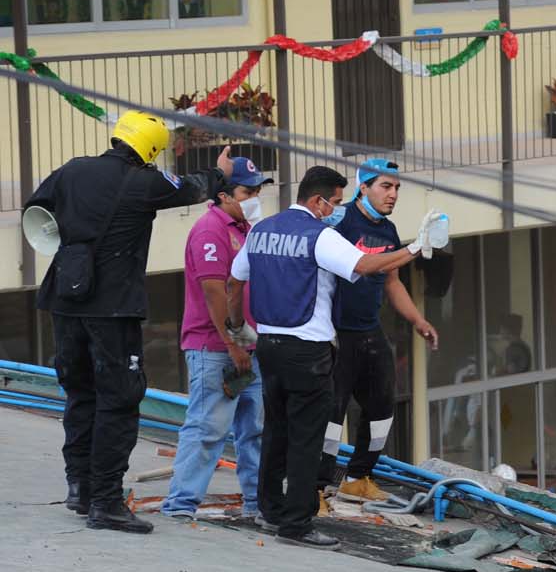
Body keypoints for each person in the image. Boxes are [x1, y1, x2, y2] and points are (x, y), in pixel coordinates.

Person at [27, 113, 234, 533]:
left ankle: (80, 489)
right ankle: (106, 502)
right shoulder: (144, 182)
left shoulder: (72, 169)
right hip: (112, 308)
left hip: (66, 300)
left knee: (80, 394)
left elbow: (39, 210)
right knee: (119, 399)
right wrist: (220, 172)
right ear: (150, 150)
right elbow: (193, 188)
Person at [227, 166, 445, 549]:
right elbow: (364, 265)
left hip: (268, 345)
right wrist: (414, 248)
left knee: (276, 432)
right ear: (317, 200)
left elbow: (235, 280)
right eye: (335, 203)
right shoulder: (319, 235)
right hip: (307, 349)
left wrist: (236, 327)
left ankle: (269, 510)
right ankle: (297, 524)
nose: (335, 211)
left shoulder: (261, 231)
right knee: (307, 438)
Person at [315, 159, 439, 506]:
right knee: (331, 415)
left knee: (383, 405)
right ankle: (316, 489)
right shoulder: (339, 221)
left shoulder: (387, 230)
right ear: (364, 187)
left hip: (369, 329)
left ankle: (357, 478)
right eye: (386, 186)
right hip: (336, 332)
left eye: (397, 187)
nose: (393, 194)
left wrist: (418, 320)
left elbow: (392, 281)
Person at [161, 158, 271, 522]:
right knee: (208, 429)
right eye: (247, 192)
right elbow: (214, 291)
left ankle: (259, 505)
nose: (255, 198)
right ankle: (180, 507)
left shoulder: (244, 227)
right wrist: (233, 344)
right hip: (216, 347)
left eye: (257, 191)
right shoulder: (211, 230)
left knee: (253, 431)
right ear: (224, 195)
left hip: (246, 345)